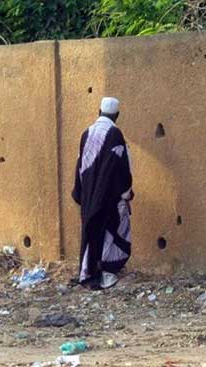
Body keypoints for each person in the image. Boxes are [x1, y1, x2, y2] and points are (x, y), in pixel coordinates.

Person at [72, 97, 134, 290]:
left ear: (99, 112)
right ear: (117, 115)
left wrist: (80, 193)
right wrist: (126, 191)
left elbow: (81, 164)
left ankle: (88, 271)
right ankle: (105, 269)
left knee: (91, 231)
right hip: (108, 196)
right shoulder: (114, 134)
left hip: (89, 195)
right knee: (113, 230)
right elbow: (120, 166)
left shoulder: (86, 133)